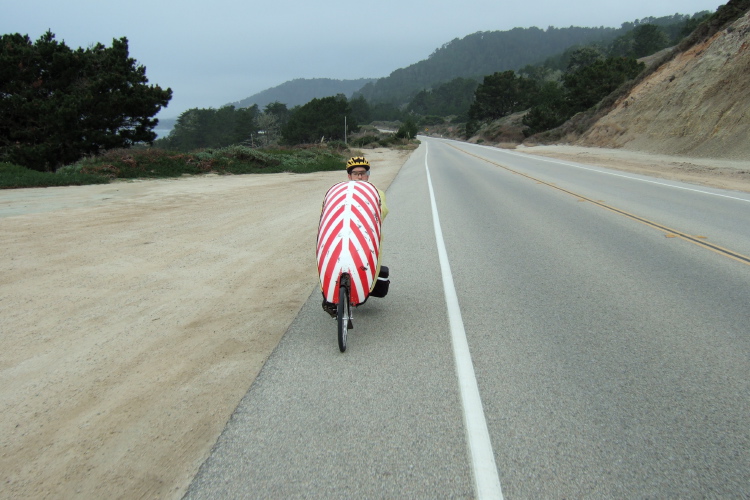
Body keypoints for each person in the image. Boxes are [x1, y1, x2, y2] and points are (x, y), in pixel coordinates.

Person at [321, 156, 390, 317]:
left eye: (363, 173)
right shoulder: (339, 193)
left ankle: (363, 290)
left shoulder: (376, 192)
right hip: (340, 237)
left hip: (366, 240)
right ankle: (328, 296)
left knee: (365, 268)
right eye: (355, 173)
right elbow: (326, 213)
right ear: (349, 176)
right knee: (331, 265)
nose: (359, 177)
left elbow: (383, 211)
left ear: (368, 174)